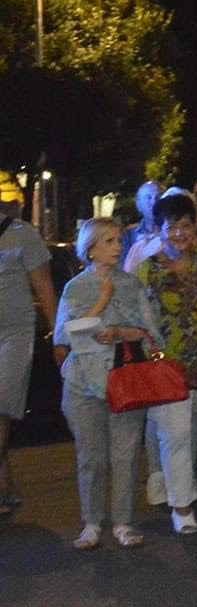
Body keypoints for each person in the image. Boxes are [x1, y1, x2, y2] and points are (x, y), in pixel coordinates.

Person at [135, 191, 197, 535]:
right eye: (171, 227)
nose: (179, 233)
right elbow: (142, 319)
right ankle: (181, 504)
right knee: (175, 436)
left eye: (185, 225)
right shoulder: (146, 270)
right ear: (158, 230)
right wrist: (152, 352)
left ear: (195, 225)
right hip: (170, 365)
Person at [52, 218, 154, 548]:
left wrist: (121, 332)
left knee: (124, 456)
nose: (117, 247)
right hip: (83, 383)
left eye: (119, 240)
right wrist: (102, 299)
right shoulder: (76, 287)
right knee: (91, 457)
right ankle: (92, 523)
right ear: (91, 248)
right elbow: (65, 335)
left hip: (123, 378)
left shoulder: (133, 284)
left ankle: (123, 522)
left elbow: (150, 332)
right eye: (109, 241)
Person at [0, 173, 59, 518]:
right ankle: (4, 486)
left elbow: (44, 288)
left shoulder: (23, 234)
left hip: (13, 334)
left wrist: (59, 336)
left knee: (1, 405)